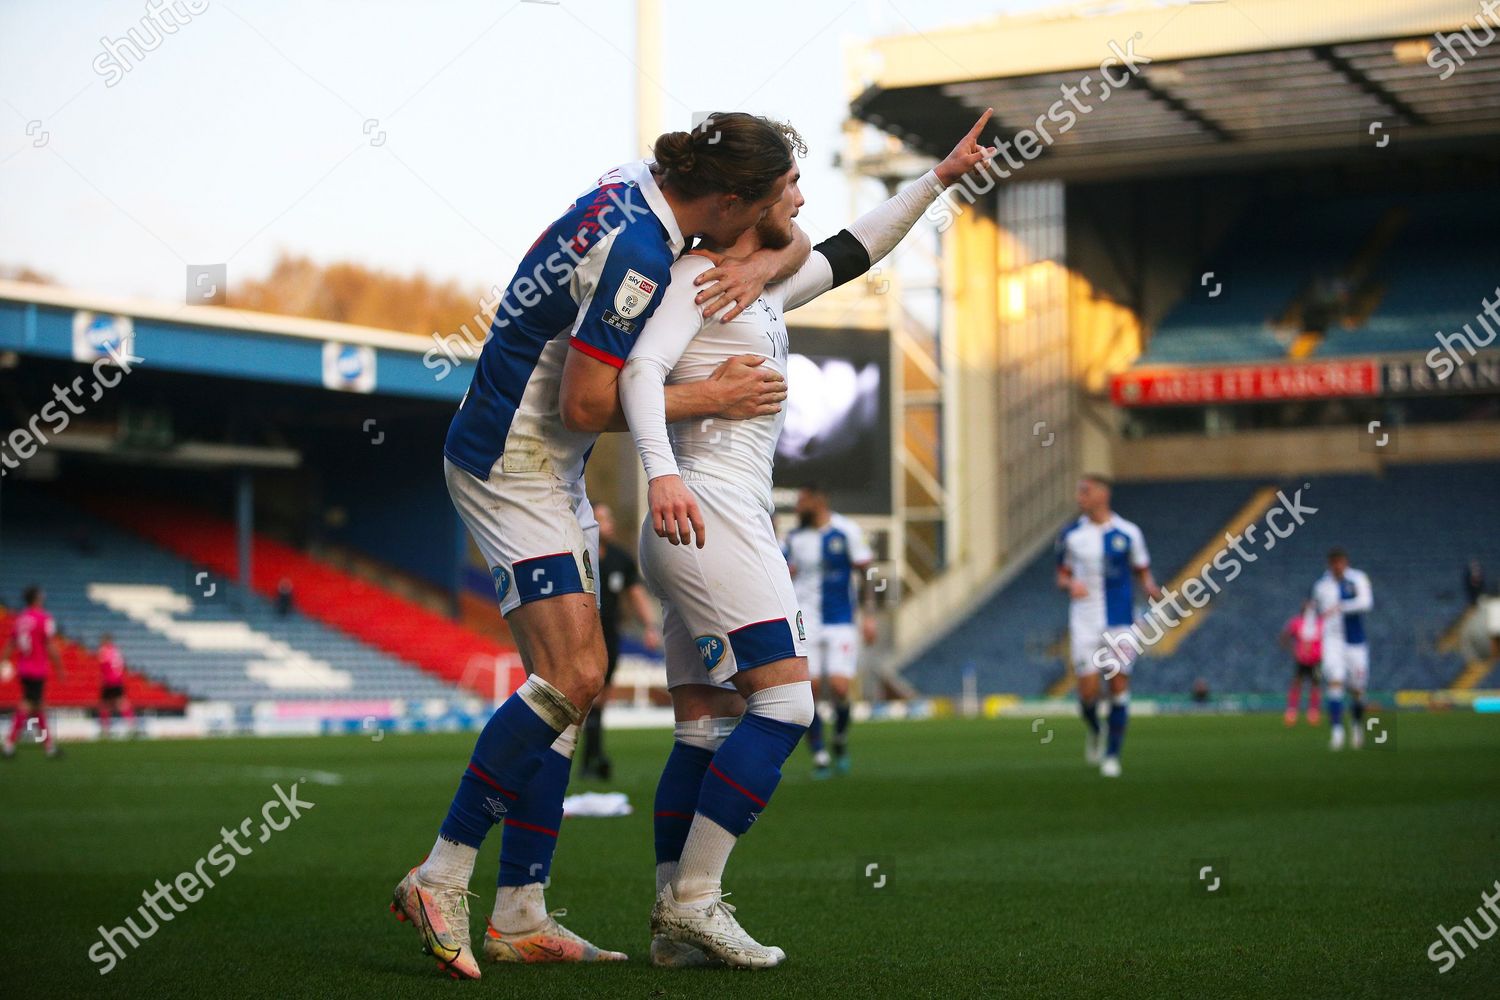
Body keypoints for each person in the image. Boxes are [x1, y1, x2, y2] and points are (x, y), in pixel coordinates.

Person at [390, 112, 807, 979]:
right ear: (725, 198)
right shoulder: (642, 258)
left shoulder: (636, 191)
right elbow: (585, 406)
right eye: (759, 210)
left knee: (571, 685)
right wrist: (713, 399)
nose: (767, 228)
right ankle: (443, 871)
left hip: (543, 459)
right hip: (515, 459)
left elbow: (792, 242)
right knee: (575, 675)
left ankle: (519, 913)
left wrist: (767, 254)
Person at [621, 110, 994, 967]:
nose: (803, 192)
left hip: (701, 520)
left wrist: (938, 179)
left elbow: (859, 245)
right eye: (790, 183)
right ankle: (697, 900)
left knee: (703, 726)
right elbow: (642, 371)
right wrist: (662, 472)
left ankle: (671, 922)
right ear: (751, 199)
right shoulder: (702, 279)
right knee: (788, 704)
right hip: (704, 510)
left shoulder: (757, 284)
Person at [1055, 475, 1161, 778]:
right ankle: (1096, 728)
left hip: (1121, 622)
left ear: (1103, 494)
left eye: (1084, 491)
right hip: (1084, 621)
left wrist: (1151, 589)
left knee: (1117, 687)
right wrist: (1069, 584)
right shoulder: (1071, 535)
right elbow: (1060, 575)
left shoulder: (1129, 533)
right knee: (1087, 693)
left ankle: (1113, 755)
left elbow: (1143, 572)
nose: (1079, 498)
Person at [783, 484, 876, 777]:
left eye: (802, 501)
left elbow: (868, 572)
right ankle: (820, 753)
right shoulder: (795, 539)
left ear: (818, 500)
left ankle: (839, 738)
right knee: (808, 691)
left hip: (840, 620)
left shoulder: (846, 530)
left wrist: (870, 615)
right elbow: (781, 574)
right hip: (805, 621)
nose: (797, 507)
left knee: (839, 687)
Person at [577, 502, 661, 780]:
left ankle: (593, 757)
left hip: (609, 636)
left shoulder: (619, 559)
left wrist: (649, 625)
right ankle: (588, 758)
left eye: (609, 519)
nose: (608, 525)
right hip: (580, 638)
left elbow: (635, 593)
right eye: (601, 519)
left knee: (602, 698)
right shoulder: (578, 555)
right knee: (586, 698)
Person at [1313, 547, 1373, 751]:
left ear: (1345, 563)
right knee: (1335, 682)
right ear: (1329, 564)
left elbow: (1366, 603)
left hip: (1355, 642)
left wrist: (1342, 606)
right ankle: (1337, 733)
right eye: (1334, 563)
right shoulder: (1322, 586)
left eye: (1340, 562)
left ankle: (1357, 728)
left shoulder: (1357, 579)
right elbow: (1319, 612)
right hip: (1332, 641)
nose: (1337, 566)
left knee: (1357, 688)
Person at [2, 585, 65, 759]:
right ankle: (9, 744)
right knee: (28, 705)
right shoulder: (43, 618)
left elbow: (10, 644)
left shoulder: (21, 618)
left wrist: (3, 661)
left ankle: (48, 746)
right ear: (37, 598)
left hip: (23, 668)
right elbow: (50, 644)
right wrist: (59, 666)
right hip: (36, 669)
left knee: (38, 707)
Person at [1280, 599, 1323, 726]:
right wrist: (1293, 650)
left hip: (1316, 660)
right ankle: (1292, 711)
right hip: (1301, 659)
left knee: (1315, 684)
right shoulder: (1297, 622)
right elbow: (1284, 636)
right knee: (1297, 683)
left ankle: (1313, 712)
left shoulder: (1320, 623)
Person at [96, 633, 138, 738]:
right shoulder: (116, 651)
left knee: (105, 705)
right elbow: (121, 665)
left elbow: (104, 666)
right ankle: (132, 726)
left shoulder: (103, 651)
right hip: (118, 680)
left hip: (109, 680)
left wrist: (104, 679)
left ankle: (105, 730)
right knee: (122, 703)